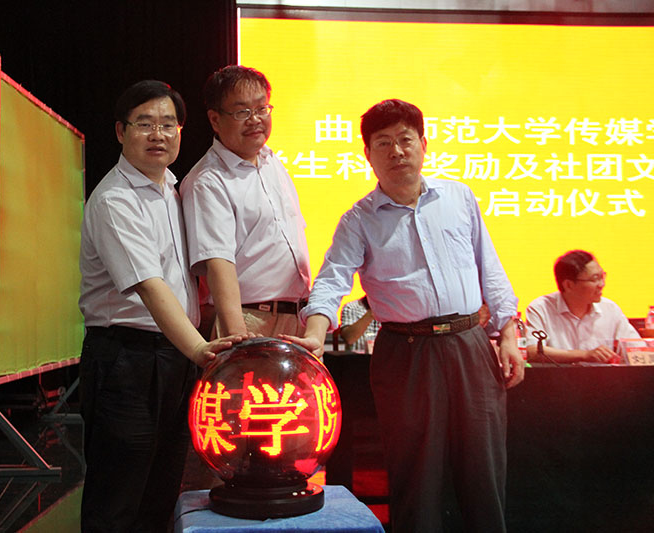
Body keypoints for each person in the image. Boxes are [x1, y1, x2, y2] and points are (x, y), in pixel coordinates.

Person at [286, 99, 524, 532]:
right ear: (368, 154)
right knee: (416, 478)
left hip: (470, 344)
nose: (396, 151)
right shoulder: (359, 220)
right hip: (406, 353)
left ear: (423, 145)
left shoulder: (458, 196)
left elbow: (489, 267)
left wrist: (508, 334)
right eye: (383, 143)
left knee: (484, 473)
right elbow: (332, 280)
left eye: (405, 140)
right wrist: (316, 334)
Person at [77, 80, 244, 532]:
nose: (158, 135)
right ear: (120, 131)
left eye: (168, 124)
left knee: (161, 492)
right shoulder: (115, 199)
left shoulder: (171, 187)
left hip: (172, 356)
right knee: (117, 498)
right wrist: (200, 349)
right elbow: (152, 288)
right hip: (126, 360)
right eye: (145, 124)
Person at [181, 65, 311, 338]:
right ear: (215, 120)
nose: (255, 120)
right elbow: (219, 264)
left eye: (262, 109)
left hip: (296, 318)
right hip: (248, 320)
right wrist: (238, 335)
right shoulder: (208, 181)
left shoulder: (271, 161)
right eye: (242, 112)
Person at [525, 249, 639, 364]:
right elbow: (532, 351)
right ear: (568, 285)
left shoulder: (610, 309)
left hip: (603, 375)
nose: (601, 284)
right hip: (559, 375)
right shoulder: (541, 308)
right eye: (595, 279)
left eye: (602, 276)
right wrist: (584, 355)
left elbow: (637, 348)